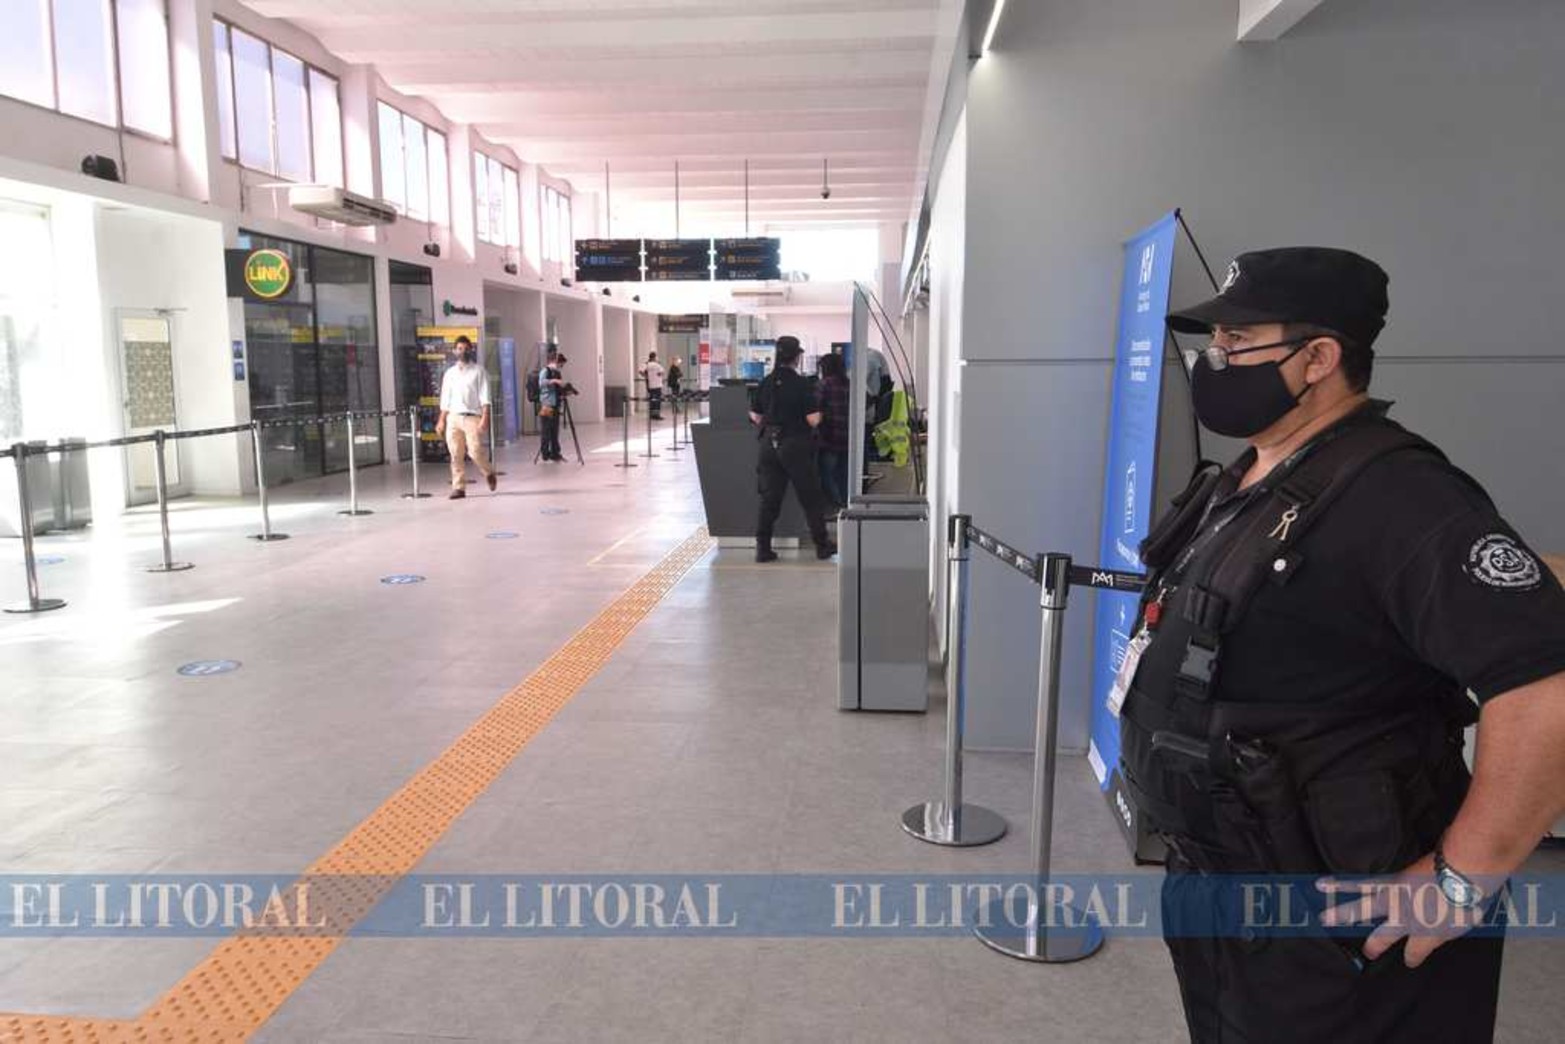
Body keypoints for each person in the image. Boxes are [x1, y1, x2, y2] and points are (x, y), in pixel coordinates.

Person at [1118, 247, 1565, 1043]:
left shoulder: (1400, 496)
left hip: (1333, 917)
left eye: (1236, 343)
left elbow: (1543, 686)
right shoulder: (1252, 477)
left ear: (1318, 358)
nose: (1213, 363)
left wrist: (1464, 879)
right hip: (1224, 885)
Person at [749, 336, 836, 562]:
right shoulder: (801, 384)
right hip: (795, 445)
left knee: (770, 499)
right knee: (810, 497)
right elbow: (813, 419)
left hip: (769, 444)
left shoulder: (766, 382)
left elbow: (756, 416)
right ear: (797, 357)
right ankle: (822, 545)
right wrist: (823, 414)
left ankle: (763, 548)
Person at [434, 335, 496, 499]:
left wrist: (485, 417)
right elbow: (445, 399)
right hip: (453, 418)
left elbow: (485, 396)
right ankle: (459, 487)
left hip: (472, 417)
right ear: (454, 351)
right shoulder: (449, 373)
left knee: (475, 451)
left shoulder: (479, 371)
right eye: (460, 348)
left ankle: (488, 472)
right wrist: (441, 420)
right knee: (455, 453)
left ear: (471, 350)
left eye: (466, 349)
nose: (463, 351)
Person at [815, 352, 851, 509]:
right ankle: (847, 504)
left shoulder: (823, 385)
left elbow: (814, 408)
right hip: (848, 436)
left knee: (826, 474)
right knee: (844, 475)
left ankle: (838, 505)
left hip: (830, 437)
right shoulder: (850, 384)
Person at [538, 350, 567, 463]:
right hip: (546, 405)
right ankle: (545, 454)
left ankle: (555, 453)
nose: (561, 366)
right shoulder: (545, 371)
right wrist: (554, 381)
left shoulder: (556, 372)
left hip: (555, 404)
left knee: (555, 431)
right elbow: (541, 383)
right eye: (560, 363)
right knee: (546, 430)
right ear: (554, 361)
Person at [641, 351, 665, 420]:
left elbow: (640, 371)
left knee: (652, 399)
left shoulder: (647, 364)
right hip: (657, 385)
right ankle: (657, 415)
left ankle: (651, 414)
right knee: (657, 400)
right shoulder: (657, 365)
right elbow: (661, 373)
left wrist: (646, 376)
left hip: (650, 385)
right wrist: (657, 376)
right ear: (654, 357)